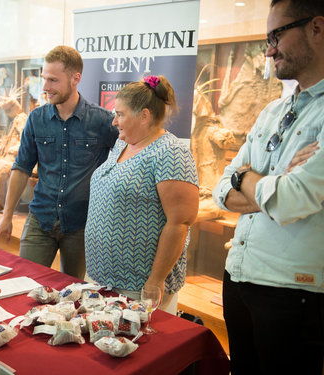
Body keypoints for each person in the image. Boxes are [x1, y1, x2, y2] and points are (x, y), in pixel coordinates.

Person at [212, 1, 324, 373]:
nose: (270, 48)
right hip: (240, 276)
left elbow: (292, 200)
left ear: (317, 28)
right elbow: (219, 190)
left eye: (277, 35)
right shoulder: (273, 111)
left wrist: (246, 177)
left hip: (293, 292)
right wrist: (269, 188)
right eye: (267, 38)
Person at [0, 45, 118, 279]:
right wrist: (6, 217)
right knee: (23, 283)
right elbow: (21, 168)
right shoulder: (36, 118)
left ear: (75, 78)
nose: (45, 87)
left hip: (82, 224)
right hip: (41, 219)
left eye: (53, 80)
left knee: (73, 293)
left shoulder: (102, 121)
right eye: (44, 78)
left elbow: (128, 158)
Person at [85, 76, 199, 314]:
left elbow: (180, 222)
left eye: (120, 114)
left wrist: (156, 280)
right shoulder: (122, 144)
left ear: (144, 115)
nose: (114, 121)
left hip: (138, 286)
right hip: (103, 277)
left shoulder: (171, 153)